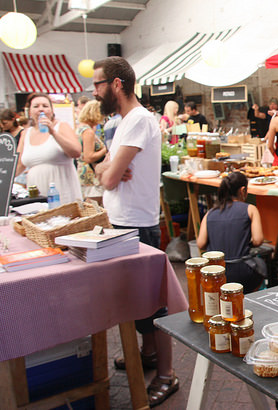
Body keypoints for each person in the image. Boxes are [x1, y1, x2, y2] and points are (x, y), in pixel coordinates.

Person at [92, 56, 178, 406]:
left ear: (116, 84)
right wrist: (106, 168)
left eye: (98, 84)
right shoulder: (127, 121)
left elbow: (109, 178)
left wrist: (107, 170)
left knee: (152, 305)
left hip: (135, 226)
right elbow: (105, 173)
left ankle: (168, 375)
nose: (95, 92)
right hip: (126, 222)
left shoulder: (138, 120)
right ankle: (149, 355)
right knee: (135, 303)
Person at [197, 172, 265, 292]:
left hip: (216, 274)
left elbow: (201, 243)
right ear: (242, 190)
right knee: (261, 264)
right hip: (243, 273)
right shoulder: (250, 209)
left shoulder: (210, 213)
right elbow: (258, 240)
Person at [15, 93, 82, 203]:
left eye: (45, 106)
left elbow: (76, 152)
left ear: (52, 110)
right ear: (30, 111)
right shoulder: (26, 133)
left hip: (61, 189)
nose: (41, 109)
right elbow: (19, 165)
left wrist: (53, 132)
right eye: (36, 106)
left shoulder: (61, 126)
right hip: (37, 192)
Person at [76, 100, 107, 203]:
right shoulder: (87, 132)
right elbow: (89, 157)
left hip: (84, 173)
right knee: (94, 206)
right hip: (91, 176)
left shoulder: (79, 129)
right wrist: (105, 149)